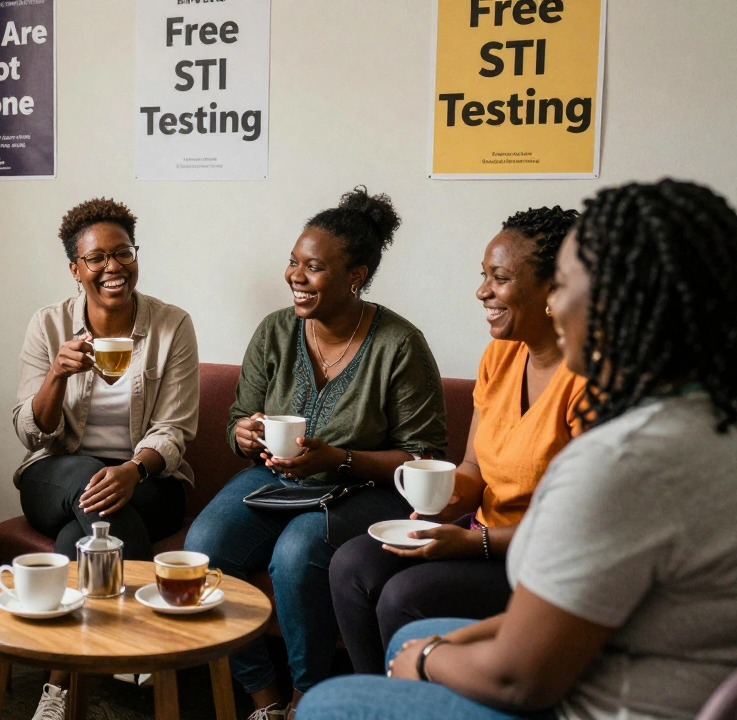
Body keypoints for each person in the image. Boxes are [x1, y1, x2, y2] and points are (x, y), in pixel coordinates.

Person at [302, 179, 737, 720]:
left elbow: (518, 677)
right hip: (635, 656)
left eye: (567, 283)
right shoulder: (710, 420)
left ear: (611, 300)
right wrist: (439, 507)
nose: (484, 291)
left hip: (598, 697)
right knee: (386, 605)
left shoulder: (621, 459)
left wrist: (431, 656)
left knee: (329, 702)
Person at [184, 187, 448, 720]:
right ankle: (263, 698)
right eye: (292, 262)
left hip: (366, 489)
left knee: (297, 551)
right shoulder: (276, 332)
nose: (295, 276)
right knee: (205, 545)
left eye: (313, 267)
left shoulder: (399, 343)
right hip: (278, 479)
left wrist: (341, 459)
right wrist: (244, 434)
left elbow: (424, 457)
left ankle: (310, 697)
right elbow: (240, 415)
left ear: (356, 275)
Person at [329, 206, 586, 675]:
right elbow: (473, 468)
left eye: (500, 278)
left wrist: (472, 543)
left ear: (554, 289)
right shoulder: (500, 355)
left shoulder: (589, 380)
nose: (482, 291)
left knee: (404, 598)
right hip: (479, 535)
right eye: (483, 275)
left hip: (540, 562)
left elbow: (579, 530)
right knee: (351, 565)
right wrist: (439, 504)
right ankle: (377, 702)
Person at [12, 197, 199, 715]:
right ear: (76, 269)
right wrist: (55, 375)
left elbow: (174, 429)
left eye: (123, 253)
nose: (112, 267)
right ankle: (137, 649)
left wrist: (135, 470)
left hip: (150, 480)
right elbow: (31, 433)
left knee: (84, 536)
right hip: (57, 474)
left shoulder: (172, 325)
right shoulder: (49, 325)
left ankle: (59, 687)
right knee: (89, 487)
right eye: (96, 258)